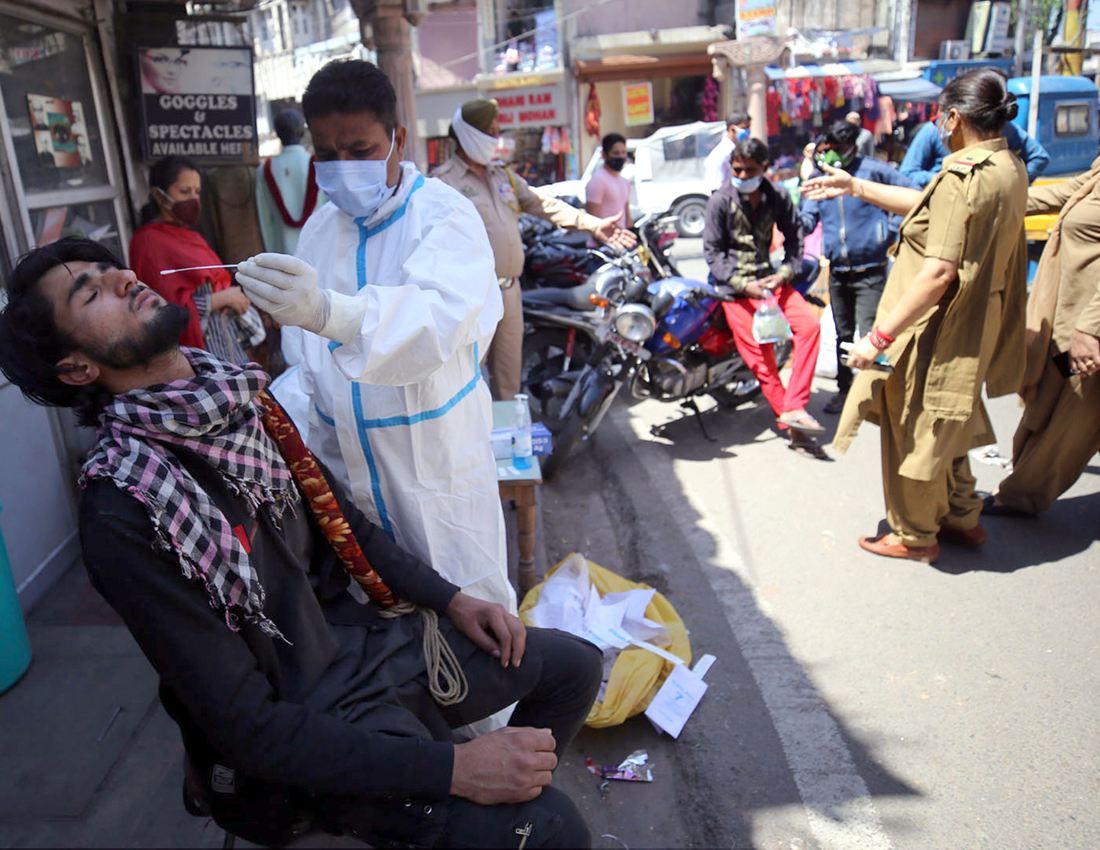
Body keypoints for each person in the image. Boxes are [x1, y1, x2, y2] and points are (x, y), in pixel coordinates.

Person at [0, 237, 602, 850]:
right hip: (305, 719)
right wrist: (459, 771)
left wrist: (453, 601)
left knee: (574, 667)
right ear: (77, 369)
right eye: (92, 292)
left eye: (113, 270)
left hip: (367, 651)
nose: (126, 279)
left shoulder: (244, 405)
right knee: (554, 828)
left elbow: (347, 524)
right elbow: (248, 728)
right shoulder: (123, 505)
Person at [234, 62, 515, 613]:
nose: (343, 168)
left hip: (436, 476)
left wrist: (326, 311)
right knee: (387, 631)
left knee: (472, 623)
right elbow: (309, 366)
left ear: (397, 140)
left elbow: (431, 323)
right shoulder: (319, 228)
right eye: (328, 154)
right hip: (351, 483)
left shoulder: (444, 218)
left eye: (360, 150)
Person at [803, 68, 1029, 563]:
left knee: (915, 429)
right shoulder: (1007, 167)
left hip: (933, 328)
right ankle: (962, 517)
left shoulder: (960, 174)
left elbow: (937, 273)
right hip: (974, 324)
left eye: (938, 119)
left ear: (952, 118)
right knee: (953, 423)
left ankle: (913, 534)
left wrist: (876, 341)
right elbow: (930, 208)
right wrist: (856, 187)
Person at [435, 99, 635, 401]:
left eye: (496, 131)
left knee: (508, 377)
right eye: (489, 132)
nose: (495, 139)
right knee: (467, 378)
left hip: (510, 291)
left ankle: (506, 442)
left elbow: (543, 204)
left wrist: (591, 224)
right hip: (472, 297)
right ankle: (470, 443)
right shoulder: (443, 182)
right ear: (468, 135)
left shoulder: (502, 175)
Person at [983, 155, 1100, 516]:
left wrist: (1091, 329)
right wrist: (985, 201)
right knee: (1048, 399)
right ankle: (1021, 488)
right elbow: (1062, 194)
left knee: (1073, 414)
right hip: (1069, 319)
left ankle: (1023, 494)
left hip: (1089, 328)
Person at [702, 138, 826, 458]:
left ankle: (795, 406)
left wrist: (783, 274)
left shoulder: (778, 195)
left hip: (772, 284)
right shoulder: (719, 201)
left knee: (810, 328)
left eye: (750, 170)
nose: (743, 176)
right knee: (763, 362)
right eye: (737, 170)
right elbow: (713, 255)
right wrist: (744, 285)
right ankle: (794, 429)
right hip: (736, 292)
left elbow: (796, 243)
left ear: (765, 169)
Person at [799, 121, 919, 414]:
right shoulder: (821, 176)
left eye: (838, 150)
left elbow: (914, 195)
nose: (832, 157)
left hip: (871, 269)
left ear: (853, 147)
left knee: (871, 334)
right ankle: (845, 390)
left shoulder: (873, 171)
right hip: (839, 271)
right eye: (828, 150)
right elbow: (807, 219)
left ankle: (874, 394)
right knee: (843, 334)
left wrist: (888, 230)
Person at [129, 155, 263, 365]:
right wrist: (222, 299)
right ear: (159, 195)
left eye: (197, 192)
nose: (193, 199)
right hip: (199, 364)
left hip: (230, 353)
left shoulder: (193, 237)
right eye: (184, 192)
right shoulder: (147, 243)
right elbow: (161, 313)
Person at [900, 115, 1049, 187]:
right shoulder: (932, 131)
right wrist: (942, 180)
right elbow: (907, 174)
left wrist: (1013, 186)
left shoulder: (1006, 129)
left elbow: (1039, 157)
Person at [256, 109, 325, 256]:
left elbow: (266, 220)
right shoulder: (318, 164)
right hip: (319, 251)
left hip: (283, 254)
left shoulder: (265, 170)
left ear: (278, 134)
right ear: (302, 131)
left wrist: (272, 251)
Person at [584, 133, 633, 247]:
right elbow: (591, 220)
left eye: (623, 152)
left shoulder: (625, 182)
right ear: (605, 155)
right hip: (602, 247)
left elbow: (627, 216)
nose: (621, 156)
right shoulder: (598, 181)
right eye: (616, 153)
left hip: (620, 244)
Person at [703, 111, 751, 192]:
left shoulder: (736, 149)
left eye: (748, 128)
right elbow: (715, 186)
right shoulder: (722, 152)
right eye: (744, 128)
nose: (748, 132)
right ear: (733, 129)